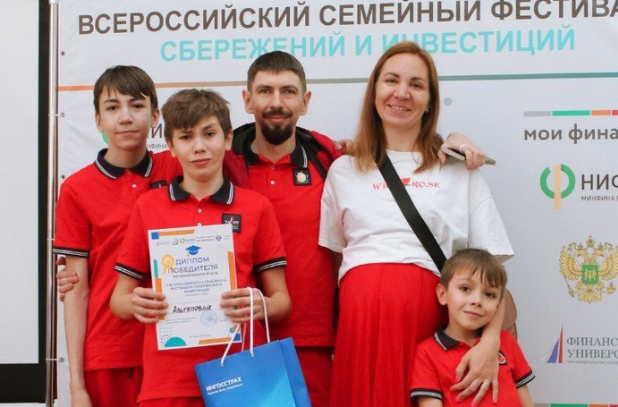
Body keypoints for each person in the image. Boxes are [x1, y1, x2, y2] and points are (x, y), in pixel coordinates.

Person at [57, 52, 488, 407]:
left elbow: (392, 150)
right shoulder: (219, 156)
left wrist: (449, 141)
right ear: (248, 100)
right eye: (265, 91)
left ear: (306, 100)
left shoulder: (331, 159)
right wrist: (85, 270)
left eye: (288, 91)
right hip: (231, 346)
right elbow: (144, 165)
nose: (276, 102)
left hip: (310, 337)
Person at [319, 42, 514, 407]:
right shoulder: (343, 169)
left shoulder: (458, 170)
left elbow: (493, 274)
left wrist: (491, 342)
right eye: (391, 80)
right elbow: (334, 262)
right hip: (358, 326)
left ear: (430, 101)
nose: (402, 93)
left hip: (426, 323)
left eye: (416, 85)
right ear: (374, 91)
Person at [109, 88, 292, 407]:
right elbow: (118, 301)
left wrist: (262, 305)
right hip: (167, 381)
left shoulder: (256, 207)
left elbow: (282, 301)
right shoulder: (148, 207)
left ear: (228, 138)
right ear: (170, 145)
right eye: (186, 137)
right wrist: (135, 303)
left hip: (240, 378)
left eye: (209, 134)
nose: (199, 147)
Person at [53, 66, 180, 407]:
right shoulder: (76, 189)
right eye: (112, 107)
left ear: (156, 116)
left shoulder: (179, 168)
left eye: (136, 105)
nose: (125, 117)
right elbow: (76, 290)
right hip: (109, 353)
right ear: (98, 120)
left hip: (177, 347)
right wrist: (77, 386)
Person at [410, 249, 534, 407]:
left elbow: (524, 396)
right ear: (442, 294)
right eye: (465, 288)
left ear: (498, 305)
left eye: (489, 294)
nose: (477, 301)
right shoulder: (427, 353)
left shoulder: (507, 341)